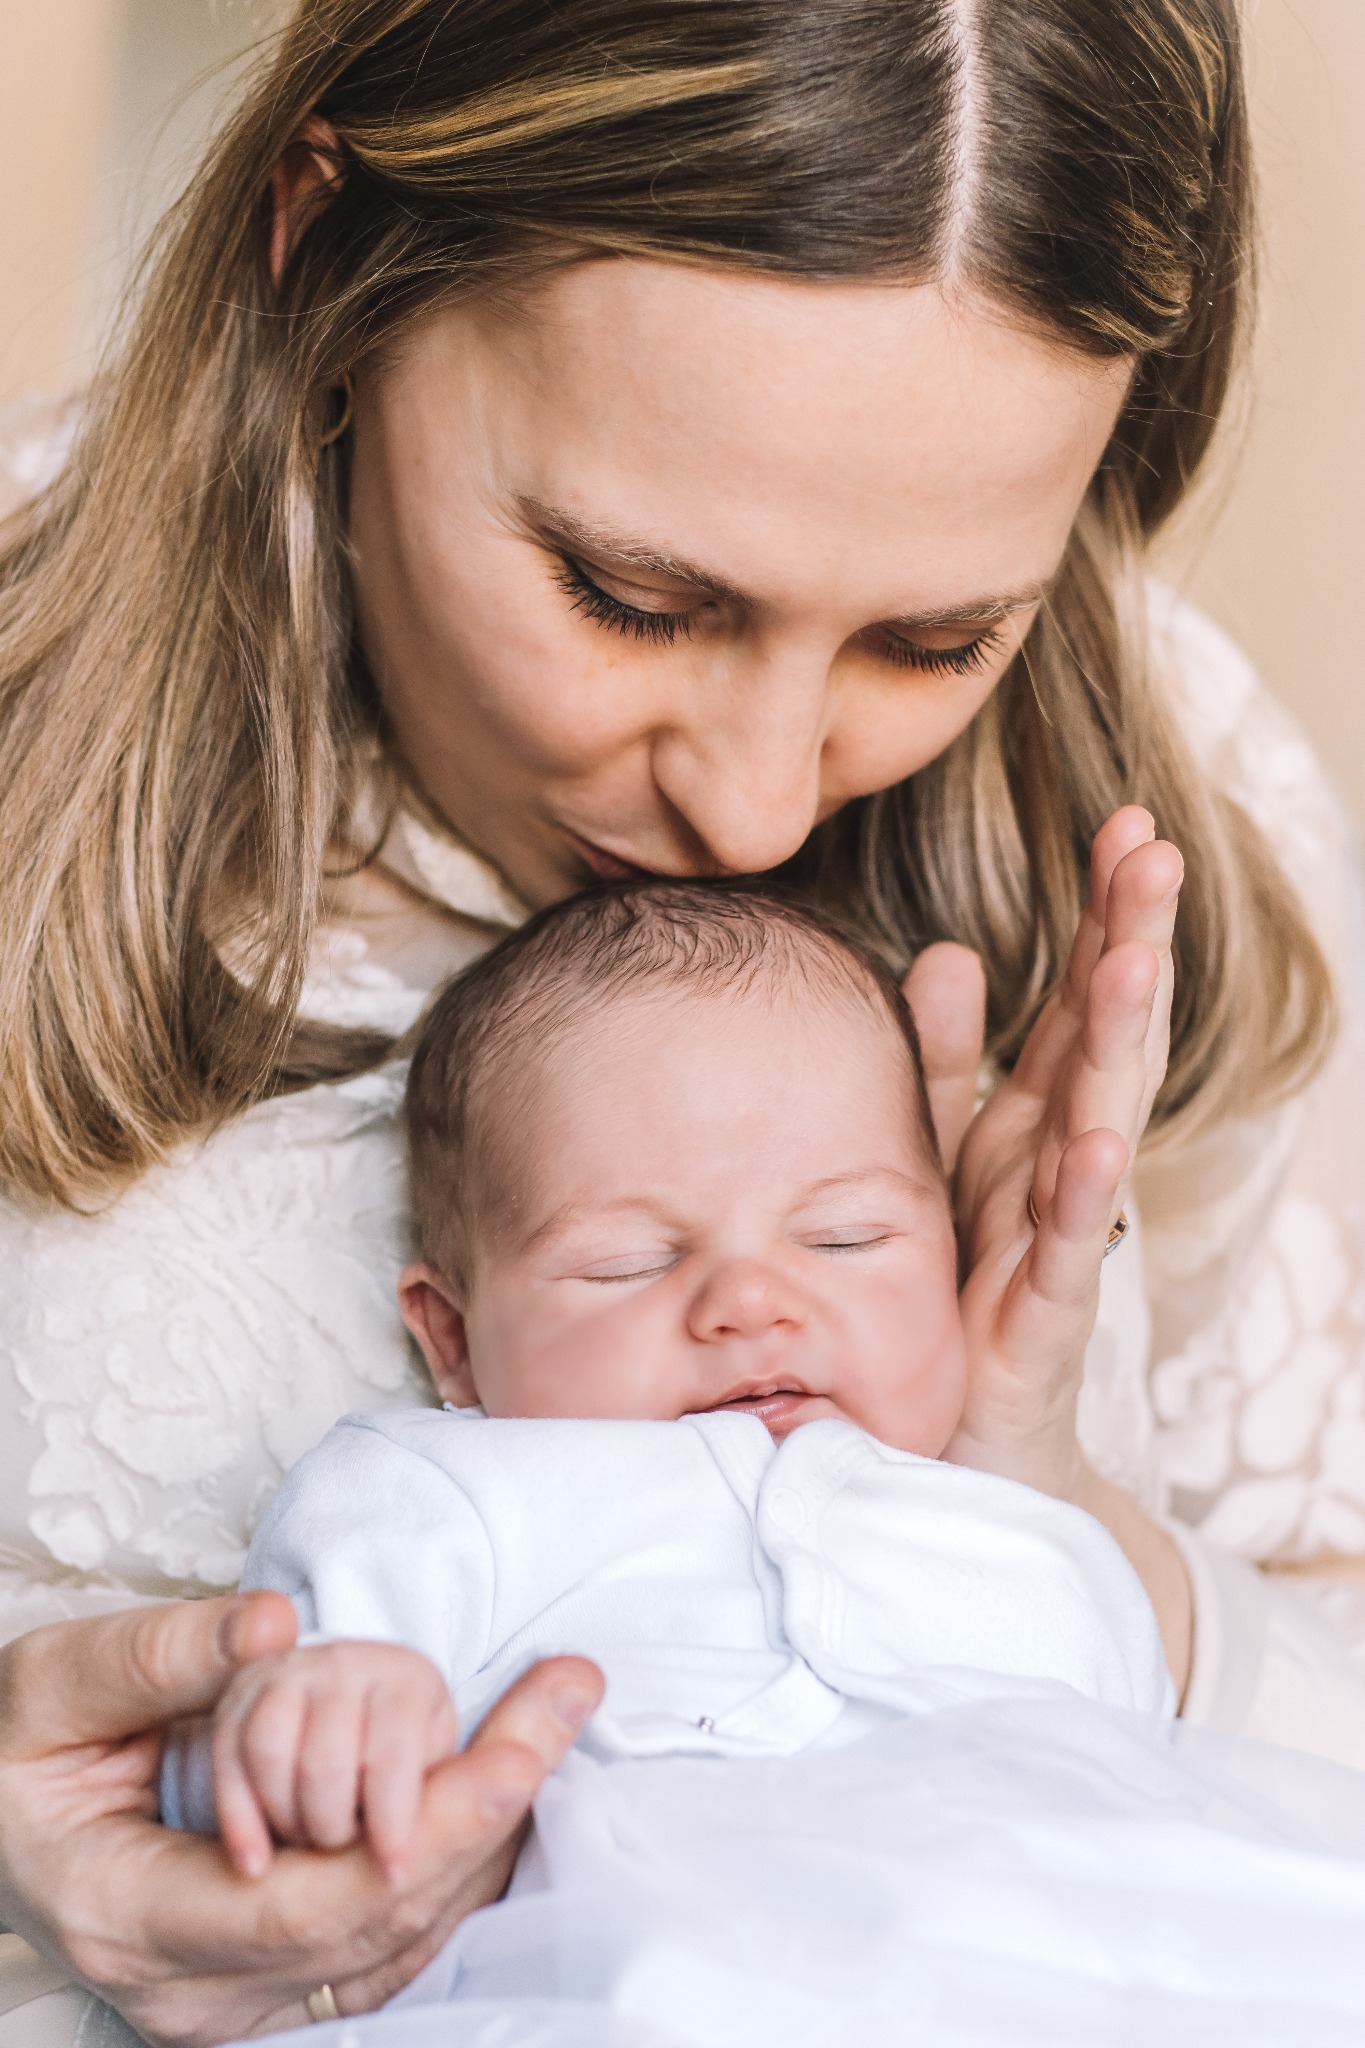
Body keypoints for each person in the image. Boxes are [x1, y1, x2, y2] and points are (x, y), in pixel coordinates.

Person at [0, 1, 1361, 2043]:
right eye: (634, 596)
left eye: (934, 639)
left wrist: (1040, 1508)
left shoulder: (1170, 798)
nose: (753, 810)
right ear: (325, 258)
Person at [162, 883, 1169, 1874]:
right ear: (454, 1337)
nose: (751, 1301)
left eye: (844, 1236)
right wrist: (314, 1719)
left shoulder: (1035, 1541)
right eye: (628, 1264)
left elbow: (1166, 1837)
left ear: (952, 1255)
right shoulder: (441, 1497)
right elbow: (226, 1790)